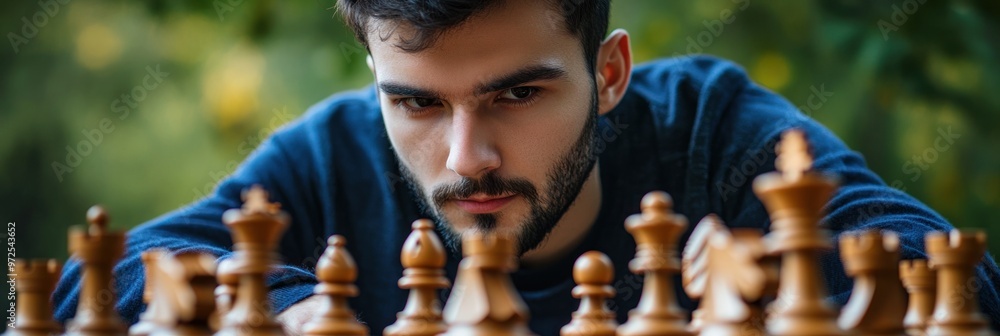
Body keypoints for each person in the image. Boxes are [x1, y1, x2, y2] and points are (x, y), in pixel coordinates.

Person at [53, 0, 1000, 334]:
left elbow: (953, 275)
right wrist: (284, 307)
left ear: (610, 72)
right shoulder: (332, 152)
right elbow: (97, 282)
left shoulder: (713, 127)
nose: (465, 160)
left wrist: (789, 276)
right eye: (417, 102)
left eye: (515, 94)